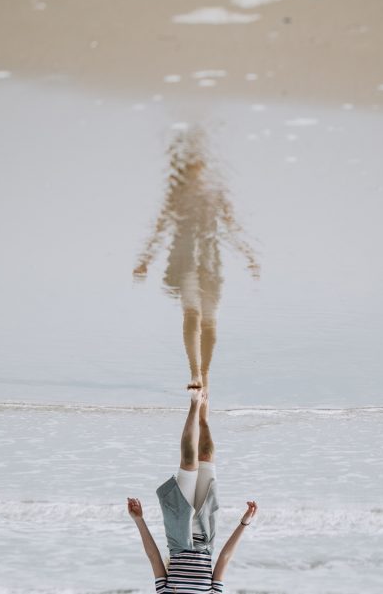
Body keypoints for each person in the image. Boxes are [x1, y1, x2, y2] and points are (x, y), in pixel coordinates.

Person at [133, 128, 260, 390]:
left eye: (197, 159)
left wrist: (248, 255)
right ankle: (194, 373)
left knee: (210, 321)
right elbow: (161, 225)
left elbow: (231, 226)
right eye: (189, 160)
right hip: (183, 260)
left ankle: (205, 371)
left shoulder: (216, 191)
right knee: (192, 311)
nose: (194, 165)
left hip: (211, 260)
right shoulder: (176, 192)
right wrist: (146, 258)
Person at [127, 388, 258, 593]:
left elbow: (153, 557)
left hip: (178, 538)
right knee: (206, 454)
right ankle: (203, 419)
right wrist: (244, 523)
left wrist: (139, 520)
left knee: (189, 461)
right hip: (206, 538)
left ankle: (194, 404)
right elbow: (224, 558)